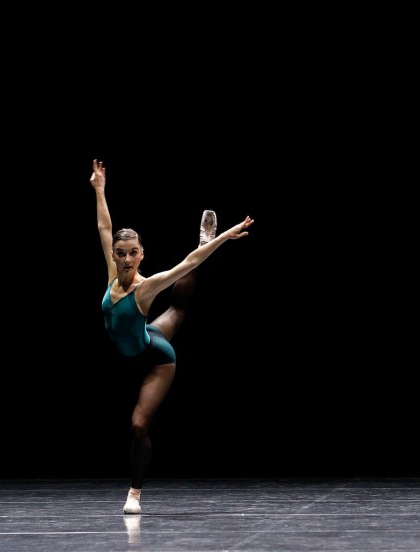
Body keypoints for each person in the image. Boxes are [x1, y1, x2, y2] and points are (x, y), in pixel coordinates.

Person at [90, 159, 254, 514]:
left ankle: (134, 493)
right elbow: (105, 228)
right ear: (115, 257)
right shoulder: (111, 270)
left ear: (142, 254)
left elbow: (187, 264)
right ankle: (206, 240)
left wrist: (223, 238)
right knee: (175, 314)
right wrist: (100, 189)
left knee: (137, 425)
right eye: (122, 254)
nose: (128, 259)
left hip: (155, 356)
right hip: (140, 337)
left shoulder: (145, 288)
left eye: (134, 253)